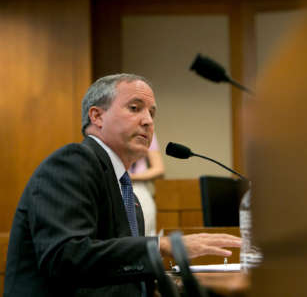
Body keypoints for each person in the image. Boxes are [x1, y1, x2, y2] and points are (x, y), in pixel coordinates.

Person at [4, 73, 241, 297]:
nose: (148, 121)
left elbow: (123, 270)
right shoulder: (72, 163)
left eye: (152, 113)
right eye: (135, 108)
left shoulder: (128, 194)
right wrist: (161, 246)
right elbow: (66, 257)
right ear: (97, 116)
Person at [129, 134, 164, 236]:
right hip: (113, 186)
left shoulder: (146, 132)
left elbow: (159, 169)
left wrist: (130, 177)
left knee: (146, 234)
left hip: (138, 188)